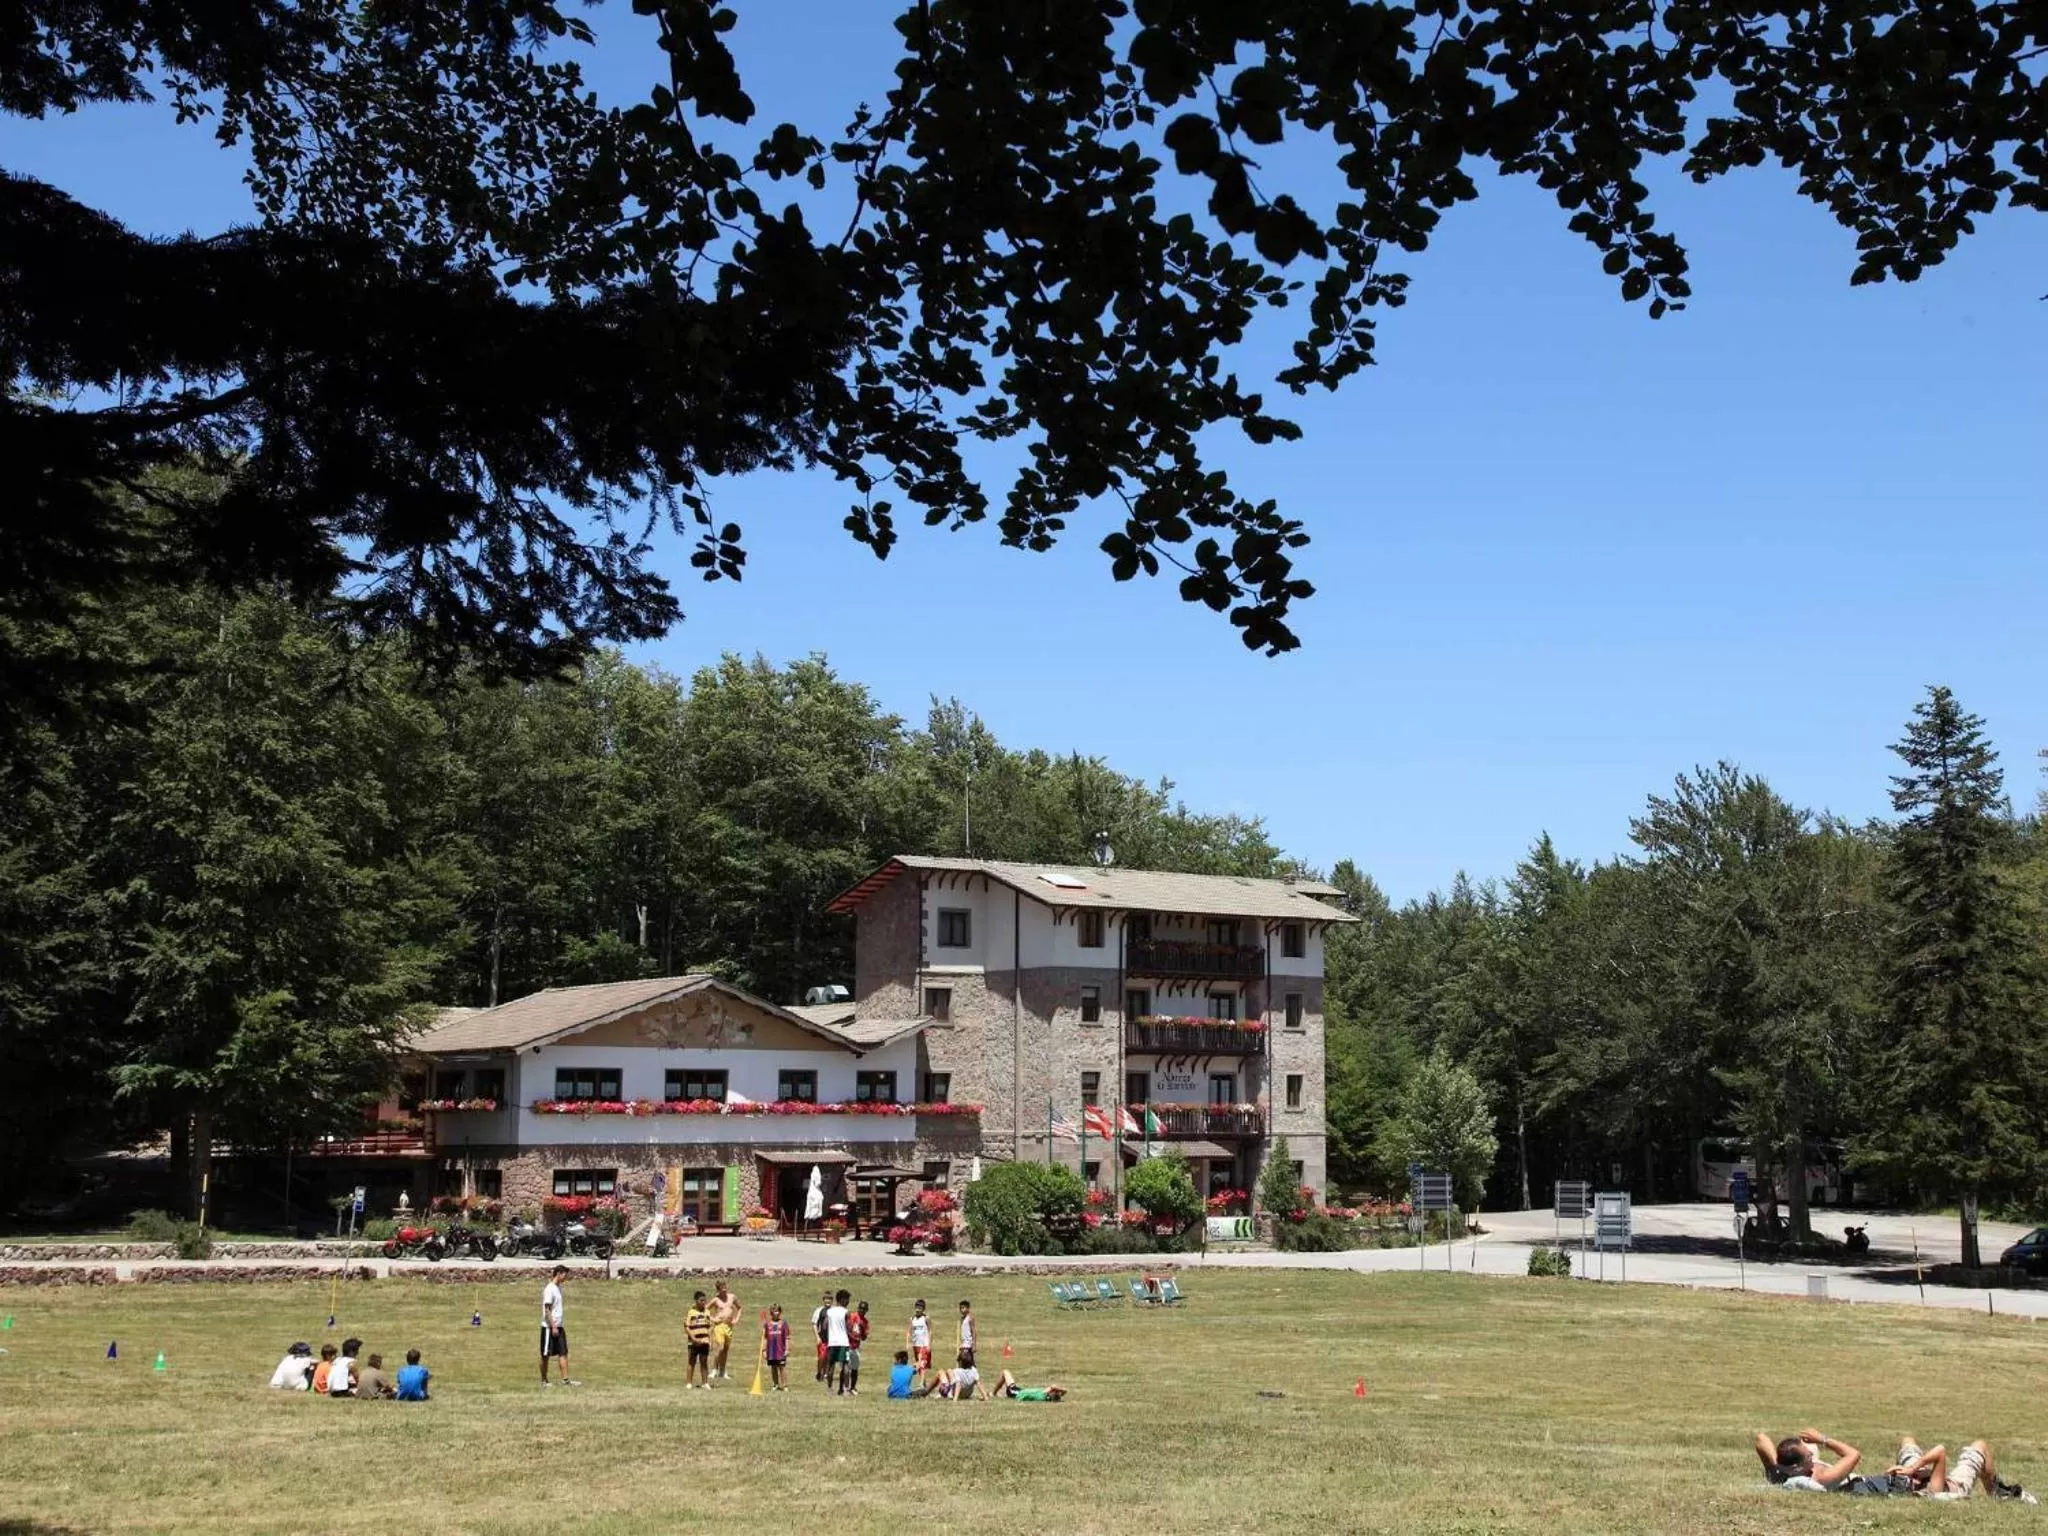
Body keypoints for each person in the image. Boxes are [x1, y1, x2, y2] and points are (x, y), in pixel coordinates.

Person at [1753, 1428, 1862, 1489]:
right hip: (1862, 1484)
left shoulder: (1778, 1472)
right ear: (1797, 1467)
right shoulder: (1821, 1477)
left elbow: (1761, 1438)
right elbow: (1854, 1454)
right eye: (1808, 1456)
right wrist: (1822, 1439)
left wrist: (1776, 1465)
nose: (1810, 1453)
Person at [540, 1266, 576, 1386]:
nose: (566, 1277)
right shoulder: (550, 1289)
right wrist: (553, 1326)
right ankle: (544, 1380)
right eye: (565, 1274)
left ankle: (566, 1380)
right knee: (546, 1354)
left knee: (563, 1353)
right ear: (558, 1274)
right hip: (549, 1327)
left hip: (559, 1326)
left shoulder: (558, 1288)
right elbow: (547, 1309)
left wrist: (558, 1326)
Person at [709, 1280, 741, 1381]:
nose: (724, 1291)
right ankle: (714, 1369)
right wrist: (713, 1319)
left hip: (729, 1326)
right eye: (722, 1289)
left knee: (726, 1349)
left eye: (725, 1288)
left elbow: (739, 1308)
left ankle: (722, 1371)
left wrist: (736, 1319)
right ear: (718, 1290)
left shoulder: (732, 1297)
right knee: (721, 1347)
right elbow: (705, 1310)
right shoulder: (715, 1300)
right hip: (719, 1326)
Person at [685, 1290, 714, 1388]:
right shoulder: (691, 1312)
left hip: (704, 1341)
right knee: (691, 1361)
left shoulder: (707, 1312)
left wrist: (710, 1340)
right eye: (701, 1300)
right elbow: (687, 1327)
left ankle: (705, 1383)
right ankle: (689, 1383)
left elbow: (710, 1326)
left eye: (704, 1300)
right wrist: (693, 1338)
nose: (703, 1302)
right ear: (696, 1301)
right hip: (693, 1342)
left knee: (704, 1361)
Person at [824, 1289, 851, 1394]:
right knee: (845, 1366)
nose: (848, 1302)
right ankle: (845, 1389)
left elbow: (825, 1326)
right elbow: (849, 1327)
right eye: (847, 1300)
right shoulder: (846, 1312)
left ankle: (830, 1389)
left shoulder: (829, 1312)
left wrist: (827, 1338)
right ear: (843, 1300)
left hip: (832, 1343)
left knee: (831, 1366)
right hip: (843, 1342)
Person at [843, 1299, 871, 1395]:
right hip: (847, 1345)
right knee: (846, 1367)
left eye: (864, 1309)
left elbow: (864, 1338)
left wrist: (862, 1331)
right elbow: (846, 1328)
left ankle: (853, 1387)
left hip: (856, 1347)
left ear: (866, 1310)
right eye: (861, 1308)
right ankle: (845, 1387)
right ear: (858, 1308)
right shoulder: (852, 1316)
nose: (862, 1310)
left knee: (855, 1368)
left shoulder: (865, 1322)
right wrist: (850, 1334)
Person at [990, 1368, 1066, 1401]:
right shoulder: (1045, 1397)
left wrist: (1061, 1389)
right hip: (1019, 1391)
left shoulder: (1043, 1394)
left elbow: (1053, 1386)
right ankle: (1000, 1394)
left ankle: (993, 1393)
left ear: (1051, 1392)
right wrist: (1060, 1392)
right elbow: (1056, 1390)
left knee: (1005, 1372)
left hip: (1015, 1392)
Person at [763, 1305, 791, 1391]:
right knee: (773, 1367)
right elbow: (765, 1338)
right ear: (771, 1312)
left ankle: (785, 1385)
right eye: (774, 1311)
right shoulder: (767, 1324)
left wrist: (787, 1349)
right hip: (771, 1350)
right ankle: (775, 1384)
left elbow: (787, 1337)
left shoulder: (783, 1323)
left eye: (777, 1311)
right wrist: (764, 1350)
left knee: (782, 1367)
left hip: (780, 1350)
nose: (776, 1313)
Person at [812, 1289, 834, 1383]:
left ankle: (825, 1373)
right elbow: (814, 1324)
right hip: (822, 1338)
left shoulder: (834, 1310)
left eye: (829, 1299)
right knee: (822, 1356)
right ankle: (819, 1372)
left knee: (829, 1357)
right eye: (826, 1299)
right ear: (823, 1300)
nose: (827, 1301)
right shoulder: (819, 1310)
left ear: (832, 1300)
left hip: (832, 1338)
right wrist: (817, 1337)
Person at [908, 1299, 932, 1386]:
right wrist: (909, 1342)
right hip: (916, 1345)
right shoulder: (912, 1319)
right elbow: (910, 1331)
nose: (918, 1310)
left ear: (923, 1309)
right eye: (917, 1307)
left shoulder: (926, 1318)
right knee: (918, 1365)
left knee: (922, 1364)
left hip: (924, 1345)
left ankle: (921, 1384)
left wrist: (929, 1344)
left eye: (920, 1308)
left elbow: (930, 1331)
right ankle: (924, 1384)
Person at [957, 1299, 976, 1369]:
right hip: (963, 1344)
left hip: (968, 1345)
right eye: (960, 1308)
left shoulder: (970, 1318)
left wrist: (974, 1344)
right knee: (961, 1362)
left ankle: (974, 1377)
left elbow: (973, 1331)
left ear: (968, 1308)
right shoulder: (962, 1319)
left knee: (967, 1363)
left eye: (963, 1308)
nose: (961, 1310)